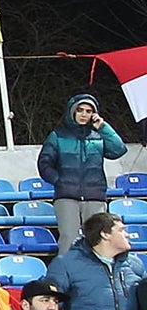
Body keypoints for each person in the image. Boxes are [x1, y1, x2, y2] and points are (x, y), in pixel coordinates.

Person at [38, 92, 128, 251]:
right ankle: (65, 274)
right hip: (66, 196)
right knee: (68, 238)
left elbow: (118, 150)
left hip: (95, 196)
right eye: (80, 110)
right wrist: (59, 181)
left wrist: (103, 127)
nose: (84, 114)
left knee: (97, 240)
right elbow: (44, 163)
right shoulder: (57, 136)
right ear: (72, 111)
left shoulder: (99, 136)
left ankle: (96, 273)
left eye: (88, 111)